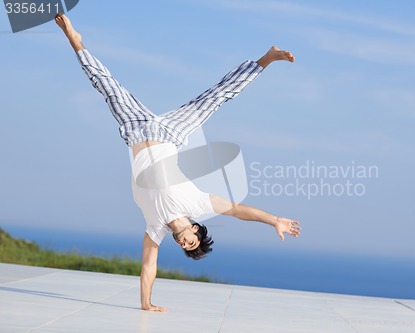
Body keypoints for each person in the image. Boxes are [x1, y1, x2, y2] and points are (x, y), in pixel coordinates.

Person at [55, 13, 301, 312]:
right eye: (193, 243)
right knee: (216, 97)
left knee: (104, 84)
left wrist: (145, 304)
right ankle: (267, 58)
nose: (186, 245)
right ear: (196, 230)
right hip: (171, 132)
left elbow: (148, 265)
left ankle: (75, 41)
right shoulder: (198, 205)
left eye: (186, 248)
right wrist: (274, 220)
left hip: (136, 131)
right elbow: (238, 210)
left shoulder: (155, 227)